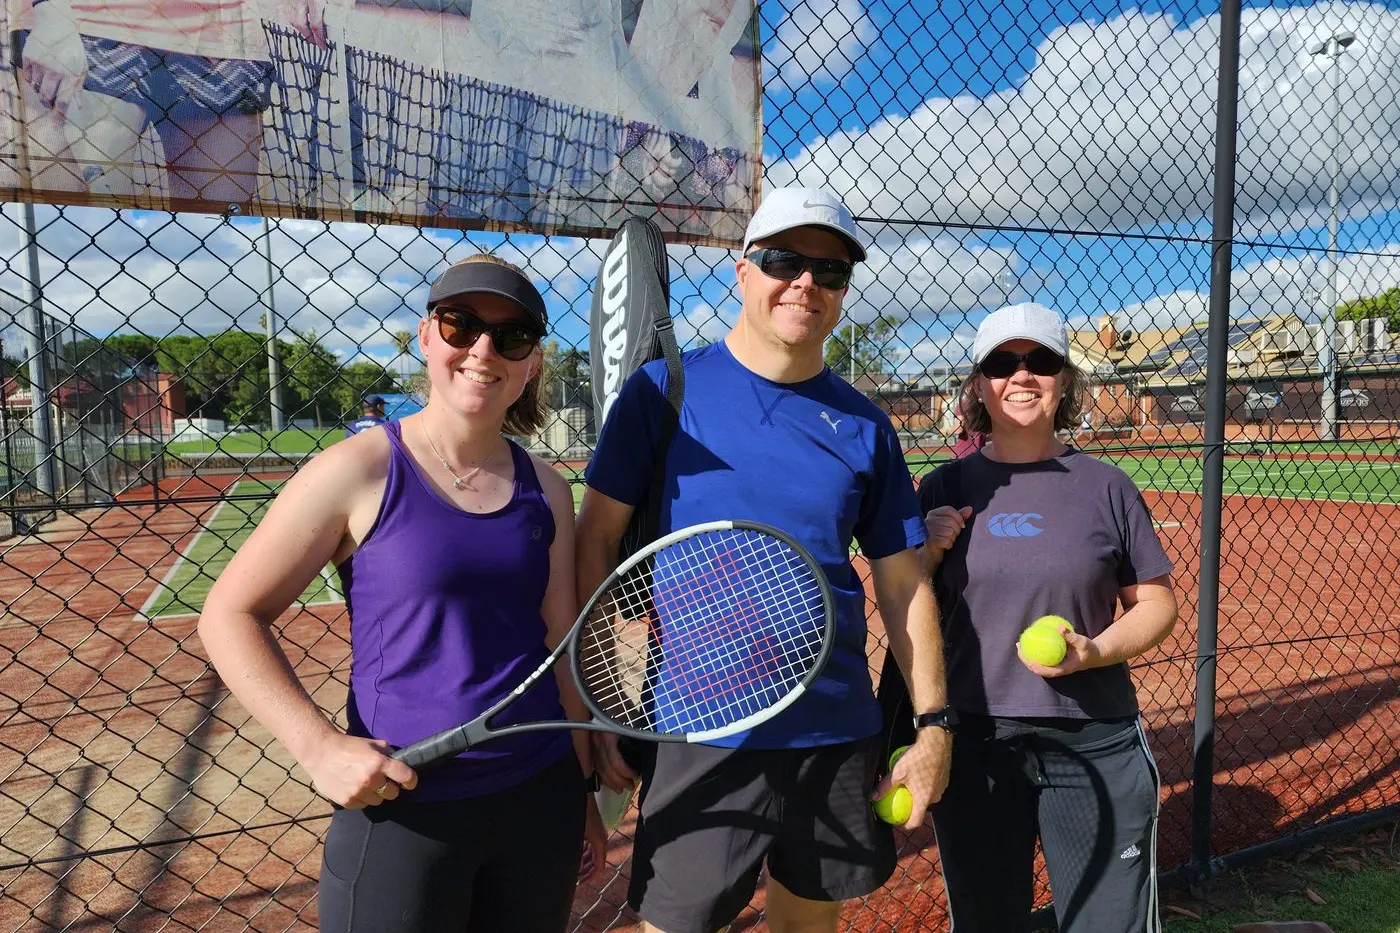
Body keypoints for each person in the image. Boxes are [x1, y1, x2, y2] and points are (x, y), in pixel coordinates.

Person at [577, 186, 953, 933]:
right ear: (744, 273)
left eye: (831, 269)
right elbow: (594, 545)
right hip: (700, 731)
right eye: (784, 259)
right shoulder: (662, 394)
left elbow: (904, 583)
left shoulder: (866, 426)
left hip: (834, 727)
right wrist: (602, 706)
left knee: (808, 924)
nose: (806, 281)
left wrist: (935, 724)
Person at [198, 254, 605, 933]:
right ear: (426, 336)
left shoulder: (549, 489)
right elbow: (229, 613)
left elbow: (560, 652)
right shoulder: (357, 470)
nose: (482, 349)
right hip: (405, 805)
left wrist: (585, 790)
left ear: (531, 361)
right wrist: (319, 746)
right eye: (461, 325)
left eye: (510, 337)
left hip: (541, 796)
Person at [917, 301, 1178, 933]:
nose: (1023, 376)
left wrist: (1092, 652)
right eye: (1004, 363)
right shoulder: (942, 488)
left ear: (1064, 379)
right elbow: (907, 605)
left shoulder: (1106, 485)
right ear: (979, 384)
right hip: (975, 742)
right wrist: (925, 553)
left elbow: (1157, 603)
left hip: (1094, 737)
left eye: (1042, 361)